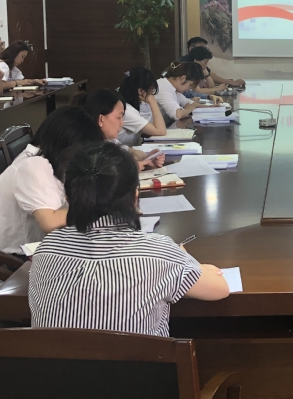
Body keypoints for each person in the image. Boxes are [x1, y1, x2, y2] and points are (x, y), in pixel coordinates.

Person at [29, 142, 230, 335]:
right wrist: (189, 261)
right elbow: (220, 289)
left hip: (55, 361)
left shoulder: (47, 249)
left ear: (69, 199)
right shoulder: (158, 254)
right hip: (141, 360)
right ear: (135, 197)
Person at [0, 106, 104, 255]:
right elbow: (50, 222)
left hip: (49, 247)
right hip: (22, 256)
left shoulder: (50, 160)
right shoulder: (33, 165)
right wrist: (100, 206)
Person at [83, 90, 166, 171]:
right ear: (101, 119)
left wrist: (148, 159)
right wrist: (131, 169)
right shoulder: (87, 150)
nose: (122, 123)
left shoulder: (110, 141)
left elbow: (131, 152)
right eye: (119, 117)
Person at [117, 67, 168, 145]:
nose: (152, 93)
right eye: (151, 89)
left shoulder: (128, 106)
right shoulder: (127, 110)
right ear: (140, 91)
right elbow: (161, 131)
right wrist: (153, 102)